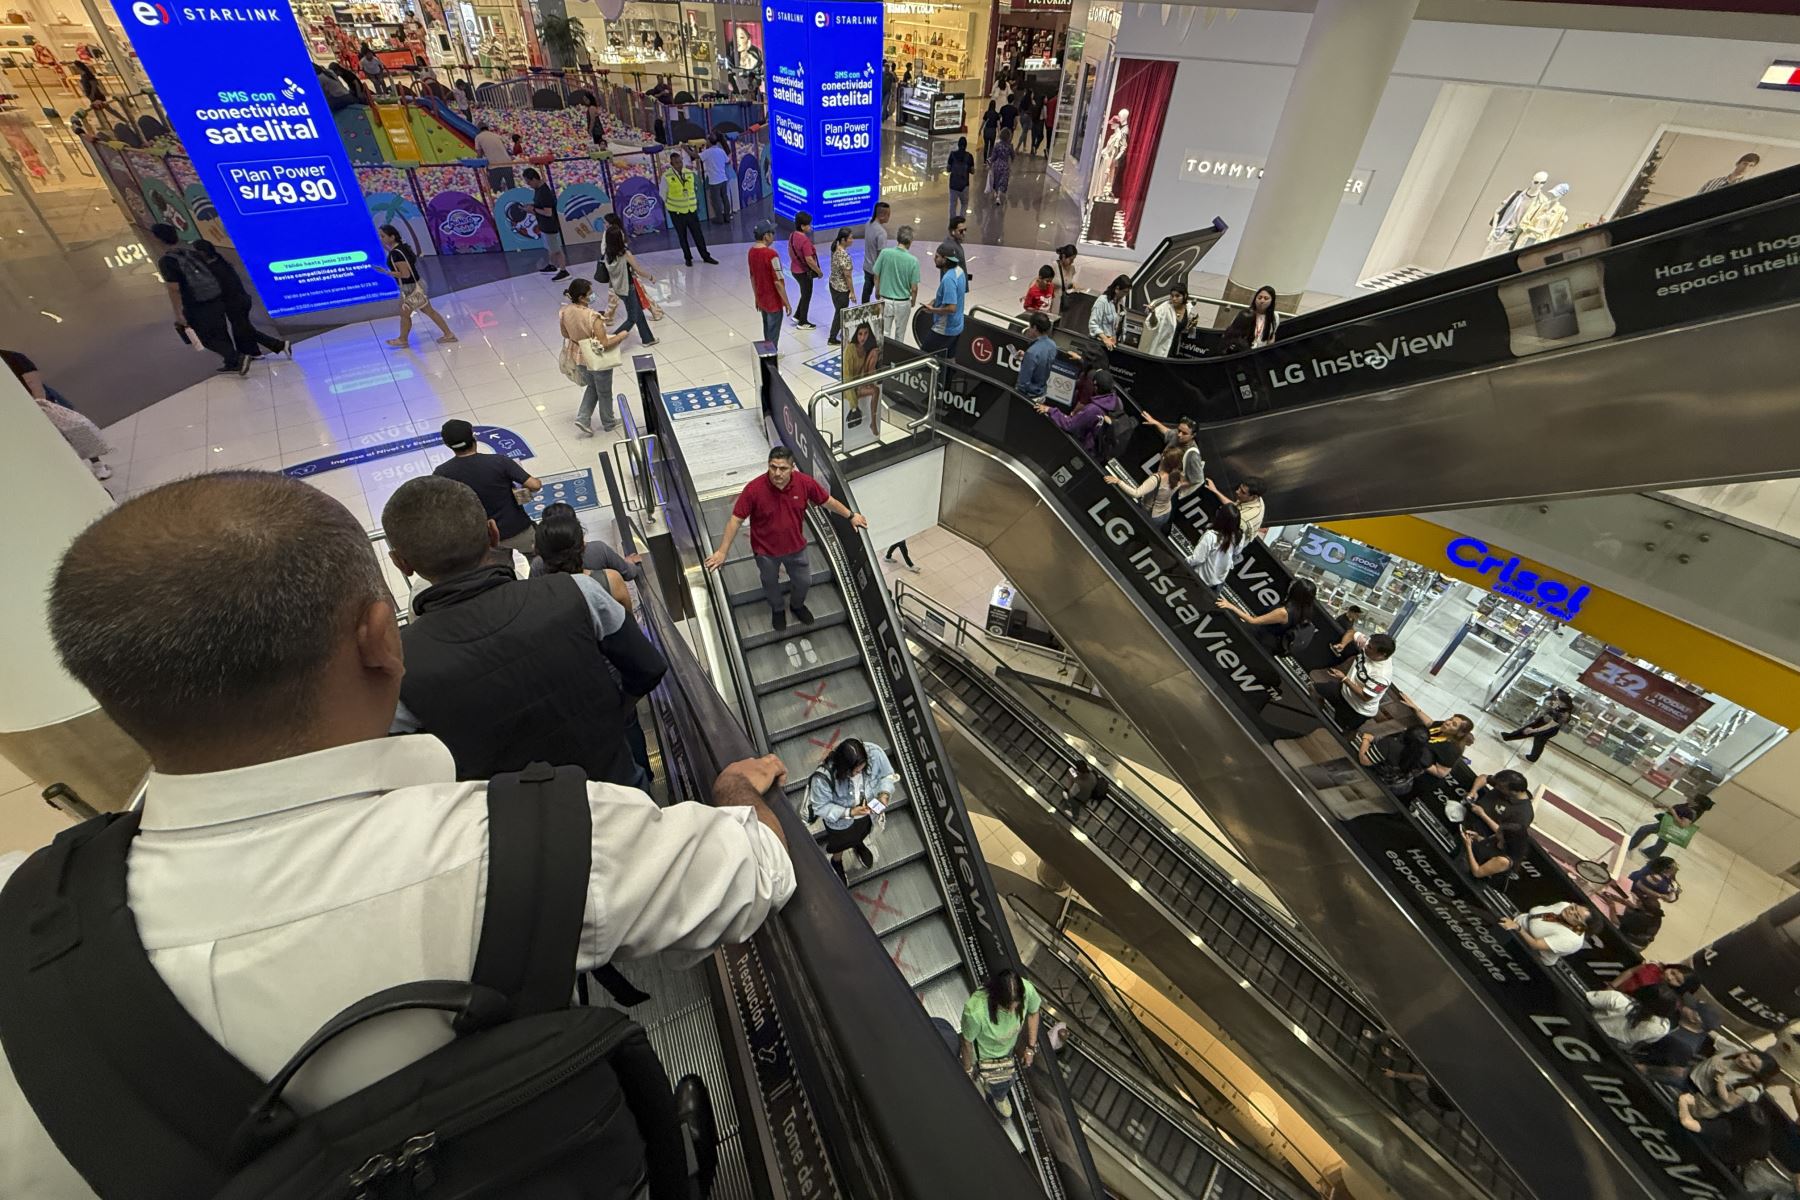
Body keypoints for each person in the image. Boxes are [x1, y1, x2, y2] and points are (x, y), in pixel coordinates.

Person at [3, 472, 794, 1198]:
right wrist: (730, 790)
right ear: (379, 636)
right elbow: (757, 870)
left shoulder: (25, 909)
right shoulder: (547, 841)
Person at [382, 477, 666, 786]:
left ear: (401, 563)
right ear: (493, 533)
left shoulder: (399, 665)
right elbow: (649, 667)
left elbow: (404, 766)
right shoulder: (578, 592)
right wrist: (616, 711)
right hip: (616, 788)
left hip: (510, 824)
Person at [531, 501, 655, 788]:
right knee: (628, 725)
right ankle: (643, 780)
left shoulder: (538, 572)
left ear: (541, 551)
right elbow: (628, 624)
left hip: (570, 678)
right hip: (612, 673)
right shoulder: (605, 574)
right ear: (581, 544)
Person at [703, 446, 867, 632]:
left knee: (804, 581)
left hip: (796, 549)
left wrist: (851, 515)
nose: (777, 473)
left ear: (792, 468)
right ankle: (778, 609)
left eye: (783, 469)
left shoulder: (805, 483)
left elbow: (828, 501)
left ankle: (797, 605)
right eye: (773, 467)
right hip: (765, 552)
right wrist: (722, 551)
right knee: (770, 582)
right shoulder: (754, 489)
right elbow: (735, 520)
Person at [431, 418, 540, 554]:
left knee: (501, 569)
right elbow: (534, 485)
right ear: (473, 437)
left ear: (447, 444)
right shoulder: (499, 461)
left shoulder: (442, 473)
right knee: (537, 559)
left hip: (484, 538)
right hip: (517, 527)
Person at [151, 222, 247, 376]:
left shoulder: (167, 262)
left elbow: (174, 289)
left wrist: (178, 313)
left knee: (204, 337)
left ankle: (235, 357)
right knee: (221, 331)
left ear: (157, 239)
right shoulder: (193, 254)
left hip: (195, 304)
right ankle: (232, 363)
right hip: (215, 298)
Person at [807, 738, 895, 882]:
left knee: (861, 832)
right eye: (853, 772)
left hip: (866, 814)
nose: (857, 774)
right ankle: (837, 862)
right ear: (843, 768)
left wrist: (884, 793)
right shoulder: (823, 777)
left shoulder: (874, 753)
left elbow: (887, 775)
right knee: (840, 843)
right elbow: (820, 806)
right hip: (841, 823)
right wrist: (850, 812)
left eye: (861, 769)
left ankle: (858, 844)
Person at [960, 967, 1041, 1120]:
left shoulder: (1026, 990)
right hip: (983, 1057)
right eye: (1007, 1008)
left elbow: (1034, 1012)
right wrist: (968, 1069)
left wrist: (1030, 1048)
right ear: (996, 998)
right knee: (997, 1083)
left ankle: (998, 1096)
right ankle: (984, 1084)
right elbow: (966, 1042)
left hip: (1007, 1051)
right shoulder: (976, 1011)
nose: (1012, 1011)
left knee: (1003, 1084)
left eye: (1016, 1005)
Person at [193, 239, 289, 361]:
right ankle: (253, 352)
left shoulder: (214, 269)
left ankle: (279, 345)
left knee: (244, 330)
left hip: (234, 304)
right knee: (242, 329)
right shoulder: (221, 263)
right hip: (240, 301)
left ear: (202, 253)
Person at [559, 278, 630, 435]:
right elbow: (604, 343)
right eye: (590, 294)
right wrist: (621, 336)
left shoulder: (565, 311)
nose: (593, 296)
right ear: (581, 298)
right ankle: (609, 422)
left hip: (578, 356)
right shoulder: (593, 317)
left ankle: (583, 418)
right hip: (596, 357)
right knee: (604, 391)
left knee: (592, 386)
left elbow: (564, 333)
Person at [374, 223, 456, 347]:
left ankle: (403, 339)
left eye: (383, 236)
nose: (381, 239)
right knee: (427, 310)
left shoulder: (395, 254)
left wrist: (390, 273)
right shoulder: (403, 248)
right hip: (417, 284)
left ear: (392, 237)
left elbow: (405, 274)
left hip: (410, 288)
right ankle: (448, 334)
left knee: (405, 314)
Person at [1359, 715, 1474, 792]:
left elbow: (1364, 760)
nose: (1448, 723)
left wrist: (1366, 740)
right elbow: (1431, 723)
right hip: (1404, 772)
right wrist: (1416, 709)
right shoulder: (1440, 727)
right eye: (1450, 719)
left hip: (1393, 778)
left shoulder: (1451, 750)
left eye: (1453, 724)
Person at [1681, 1049, 1780, 1131]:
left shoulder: (1751, 1088)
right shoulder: (1733, 1053)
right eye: (1747, 1056)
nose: (1744, 1061)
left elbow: (1728, 1100)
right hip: (1690, 1082)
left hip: (1702, 1104)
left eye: (1752, 1065)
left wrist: (1720, 1081)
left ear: (1758, 1073)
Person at [1313, 632, 1397, 730]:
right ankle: (1318, 717)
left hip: (1357, 709)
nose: (1365, 647)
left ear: (1381, 654)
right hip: (1343, 691)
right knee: (1314, 689)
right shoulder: (1368, 645)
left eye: (1370, 648)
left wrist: (1344, 679)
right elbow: (1352, 633)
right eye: (1368, 644)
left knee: (1338, 731)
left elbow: (1365, 697)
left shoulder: (1382, 675)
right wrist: (1343, 644)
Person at [1216, 577, 1316, 657]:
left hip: (1258, 639)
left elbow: (1253, 621)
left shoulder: (1283, 612)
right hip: (1269, 645)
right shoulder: (1305, 613)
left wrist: (1231, 606)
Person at [34, 392, 113, 480]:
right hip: (45, 407)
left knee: (71, 435)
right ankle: (97, 467)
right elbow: (32, 382)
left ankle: (92, 468)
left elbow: (33, 384)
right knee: (75, 433)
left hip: (42, 409)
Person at [660, 149, 718, 267]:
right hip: (676, 212)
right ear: (671, 164)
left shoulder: (689, 173)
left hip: (691, 210)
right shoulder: (666, 177)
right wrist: (671, 206)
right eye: (676, 163)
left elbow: (693, 190)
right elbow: (662, 194)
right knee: (682, 236)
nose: (679, 165)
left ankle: (705, 256)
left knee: (698, 234)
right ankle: (688, 258)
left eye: (680, 162)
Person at [603, 221, 656, 346]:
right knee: (632, 318)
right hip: (628, 287)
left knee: (637, 312)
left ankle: (648, 339)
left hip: (617, 288)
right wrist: (651, 276)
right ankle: (609, 341)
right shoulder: (625, 253)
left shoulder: (608, 254)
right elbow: (638, 270)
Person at [1106, 448, 1182, 532]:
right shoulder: (1178, 476)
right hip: (1166, 513)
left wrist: (1118, 481)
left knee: (1138, 532)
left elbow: (1136, 493)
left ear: (1163, 458)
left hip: (1152, 515)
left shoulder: (1156, 479)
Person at [1502, 901, 1599, 966]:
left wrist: (1517, 928)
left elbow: (1535, 945)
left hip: (1530, 956)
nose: (1570, 911)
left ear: (1582, 926)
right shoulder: (1564, 905)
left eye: (1576, 916)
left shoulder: (1571, 940)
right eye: (1574, 907)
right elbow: (1536, 916)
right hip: (1518, 923)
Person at [1585, 984, 1682, 1048]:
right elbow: (1640, 1045)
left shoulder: (1617, 999)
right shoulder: (1663, 1028)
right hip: (1607, 1051)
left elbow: (1583, 998)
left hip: (1583, 1029)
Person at [1629, 794, 1716, 859]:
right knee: (1663, 840)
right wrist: (1661, 806)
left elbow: (1683, 825)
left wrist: (1673, 812)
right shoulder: (1688, 805)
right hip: (1666, 825)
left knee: (1644, 830)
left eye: (1692, 797)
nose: (1690, 796)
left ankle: (1630, 846)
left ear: (1696, 803)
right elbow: (1674, 808)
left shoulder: (1692, 812)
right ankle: (1651, 854)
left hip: (1669, 826)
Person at [1501, 688, 1574, 763]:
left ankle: (1531, 758)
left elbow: (1550, 725)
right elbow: (1549, 711)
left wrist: (1534, 730)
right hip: (1541, 722)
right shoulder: (1560, 706)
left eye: (1558, 699)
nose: (1556, 700)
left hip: (1548, 729)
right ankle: (1506, 737)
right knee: (1525, 732)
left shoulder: (1564, 714)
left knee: (1539, 741)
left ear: (1563, 702)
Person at [874, 225, 920, 344]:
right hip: (903, 302)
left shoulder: (885, 253)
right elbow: (914, 288)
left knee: (884, 333)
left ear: (897, 239)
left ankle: (883, 359)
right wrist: (913, 300)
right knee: (900, 334)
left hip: (885, 300)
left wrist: (877, 291)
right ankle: (896, 359)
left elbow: (876, 274)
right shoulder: (913, 261)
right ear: (910, 242)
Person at [748, 220, 790, 349]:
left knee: (766, 327)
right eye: (772, 233)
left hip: (762, 298)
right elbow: (777, 281)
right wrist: (786, 302)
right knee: (773, 331)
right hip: (773, 301)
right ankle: (772, 354)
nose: (774, 235)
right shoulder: (772, 255)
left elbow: (752, 277)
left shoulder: (751, 252)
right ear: (766, 236)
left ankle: (766, 351)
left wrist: (756, 297)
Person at [919, 245, 967, 358]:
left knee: (922, 358)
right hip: (957, 326)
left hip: (944, 328)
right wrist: (935, 301)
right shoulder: (959, 271)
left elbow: (951, 308)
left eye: (937, 256)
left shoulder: (948, 279)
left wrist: (932, 310)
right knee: (948, 360)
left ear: (944, 259)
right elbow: (954, 295)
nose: (934, 258)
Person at [522, 167, 568, 281]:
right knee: (550, 247)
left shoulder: (544, 192)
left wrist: (533, 209)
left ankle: (564, 271)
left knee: (556, 249)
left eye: (528, 182)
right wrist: (532, 206)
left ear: (534, 179)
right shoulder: (538, 189)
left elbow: (548, 212)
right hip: (543, 224)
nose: (528, 185)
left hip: (550, 225)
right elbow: (540, 205)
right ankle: (552, 265)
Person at [1185, 504, 1245, 588]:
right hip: (1218, 582)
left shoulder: (1211, 536)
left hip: (1200, 580)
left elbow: (1198, 559)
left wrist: (1182, 562)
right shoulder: (1240, 536)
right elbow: (1237, 552)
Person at [1465, 768, 1535, 834]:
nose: (1496, 787)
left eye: (1501, 787)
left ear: (1513, 792)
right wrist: (1474, 791)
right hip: (1471, 813)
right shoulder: (1502, 783)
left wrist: (1482, 814)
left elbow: (1505, 834)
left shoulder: (1524, 814)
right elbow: (1484, 777)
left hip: (1482, 830)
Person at [1143, 412, 1203, 488]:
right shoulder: (1177, 434)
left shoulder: (1192, 455)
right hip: (1159, 474)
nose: (1179, 435)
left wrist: (1175, 486)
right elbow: (1167, 432)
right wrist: (1156, 423)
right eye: (1179, 430)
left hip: (1167, 486)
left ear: (1193, 435)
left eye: (1184, 433)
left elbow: (1198, 479)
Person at [841, 320, 881, 428]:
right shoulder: (850, 348)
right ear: (856, 334)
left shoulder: (865, 349)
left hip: (859, 383)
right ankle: (873, 424)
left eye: (866, 333)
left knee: (875, 351)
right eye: (860, 334)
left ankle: (873, 422)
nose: (863, 337)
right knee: (875, 390)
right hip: (849, 387)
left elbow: (866, 369)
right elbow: (847, 377)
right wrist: (854, 406)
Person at [1461, 822, 1530, 881]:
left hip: (1470, 876)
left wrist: (1468, 846)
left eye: (1500, 832)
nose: (1497, 830)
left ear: (1506, 839)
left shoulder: (1504, 860)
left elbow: (1477, 872)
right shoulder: (1497, 838)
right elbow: (1489, 846)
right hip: (1465, 858)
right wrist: (1477, 837)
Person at [787, 211, 821, 330]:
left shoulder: (792, 236)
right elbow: (809, 260)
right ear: (802, 226)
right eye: (808, 225)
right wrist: (819, 272)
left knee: (804, 293)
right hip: (804, 272)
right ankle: (803, 322)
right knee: (807, 295)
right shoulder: (805, 241)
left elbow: (790, 251)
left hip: (794, 269)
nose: (810, 227)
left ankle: (797, 315)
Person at [1222, 285, 1279, 352]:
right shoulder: (1246, 314)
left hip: (1260, 353)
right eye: (1259, 297)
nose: (1262, 301)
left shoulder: (1275, 317)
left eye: (1266, 298)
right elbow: (1232, 334)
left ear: (1272, 301)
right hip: (1243, 351)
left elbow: (1271, 338)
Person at [1015, 311, 1057, 400]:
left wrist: (1027, 357)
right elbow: (1042, 362)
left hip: (1029, 397)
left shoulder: (1032, 352)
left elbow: (1023, 383)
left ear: (1034, 328)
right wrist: (1026, 356)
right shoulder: (1053, 345)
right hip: (1042, 393)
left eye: (1030, 327)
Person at [1141, 284, 1189, 357]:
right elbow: (1153, 324)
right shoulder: (1164, 307)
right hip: (1161, 350)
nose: (1174, 299)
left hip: (1176, 350)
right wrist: (1153, 313)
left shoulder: (1188, 309)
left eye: (1177, 296)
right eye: (1172, 296)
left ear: (1185, 296)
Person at [826, 227, 855, 344]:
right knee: (839, 313)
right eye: (850, 238)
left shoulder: (835, 249)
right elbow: (847, 276)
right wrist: (852, 292)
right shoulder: (844, 256)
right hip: (841, 289)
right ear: (844, 240)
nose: (852, 240)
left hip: (833, 284)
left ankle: (843, 331)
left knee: (839, 311)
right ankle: (832, 338)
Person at [72, 61, 119, 126]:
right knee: (101, 110)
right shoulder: (83, 75)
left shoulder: (87, 74)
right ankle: (105, 124)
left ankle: (117, 120)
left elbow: (94, 84)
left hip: (96, 95)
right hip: (91, 95)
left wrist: (92, 94)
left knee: (107, 108)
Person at [700, 133, 734, 223]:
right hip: (723, 178)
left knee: (716, 201)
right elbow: (727, 161)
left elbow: (697, 156)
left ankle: (719, 219)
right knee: (725, 198)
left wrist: (686, 149)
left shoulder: (707, 152)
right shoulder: (721, 151)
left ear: (709, 142)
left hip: (714, 181)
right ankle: (727, 216)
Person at [1611, 959, 1695, 996]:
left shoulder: (1665, 996)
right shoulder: (1652, 967)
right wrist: (1611, 987)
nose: (1670, 978)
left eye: (1678, 981)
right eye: (1672, 972)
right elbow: (1630, 972)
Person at [1089, 273, 1130, 346]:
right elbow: (1093, 324)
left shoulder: (1121, 304)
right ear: (1117, 289)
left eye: (1127, 292)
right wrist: (1105, 339)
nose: (1125, 295)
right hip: (1099, 344)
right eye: (1124, 292)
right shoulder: (1103, 301)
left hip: (1112, 344)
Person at [861, 201, 891, 303]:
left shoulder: (868, 223)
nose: (889, 217)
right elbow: (881, 256)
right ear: (882, 215)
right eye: (888, 215)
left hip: (866, 265)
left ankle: (863, 312)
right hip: (875, 270)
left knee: (866, 291)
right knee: (882, 294)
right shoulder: (881, 233)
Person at [474, 122, 513, 191]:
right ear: (487, 128)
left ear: (479, 130)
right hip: (507, 163)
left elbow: (479, 154)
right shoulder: (496, 135)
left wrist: (477, 162)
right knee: (511, 186)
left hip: (494, 165)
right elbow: (504, 148)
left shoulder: (478, 137)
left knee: (495, 188)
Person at [946, 136, 975, 218]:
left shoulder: (952, 155)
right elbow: (972, 171)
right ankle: (961, 220)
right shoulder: (969, 156)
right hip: (964, 185)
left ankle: (952, 221)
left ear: (958, 145)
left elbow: (948, 169)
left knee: (953, 204)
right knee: (964, 203)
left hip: (953, 185)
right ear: (966, 146)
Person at [937, 215, 970, 286]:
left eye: (965, 230)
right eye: (961, 231)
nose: (964, 233)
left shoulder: (955, 244)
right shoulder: (949, 247)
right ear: (952, 231)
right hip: (953, 288)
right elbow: (949, 273)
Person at [987, 135, 1014, 204]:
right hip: (1005, 165)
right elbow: (1013, 156)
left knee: (996, 180)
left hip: (997, 165)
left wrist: (990, 161)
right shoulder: (1010, 146)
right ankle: (998, 196)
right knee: (1002, 181)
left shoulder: (997, 145)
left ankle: (996, 193)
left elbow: (993, 156)